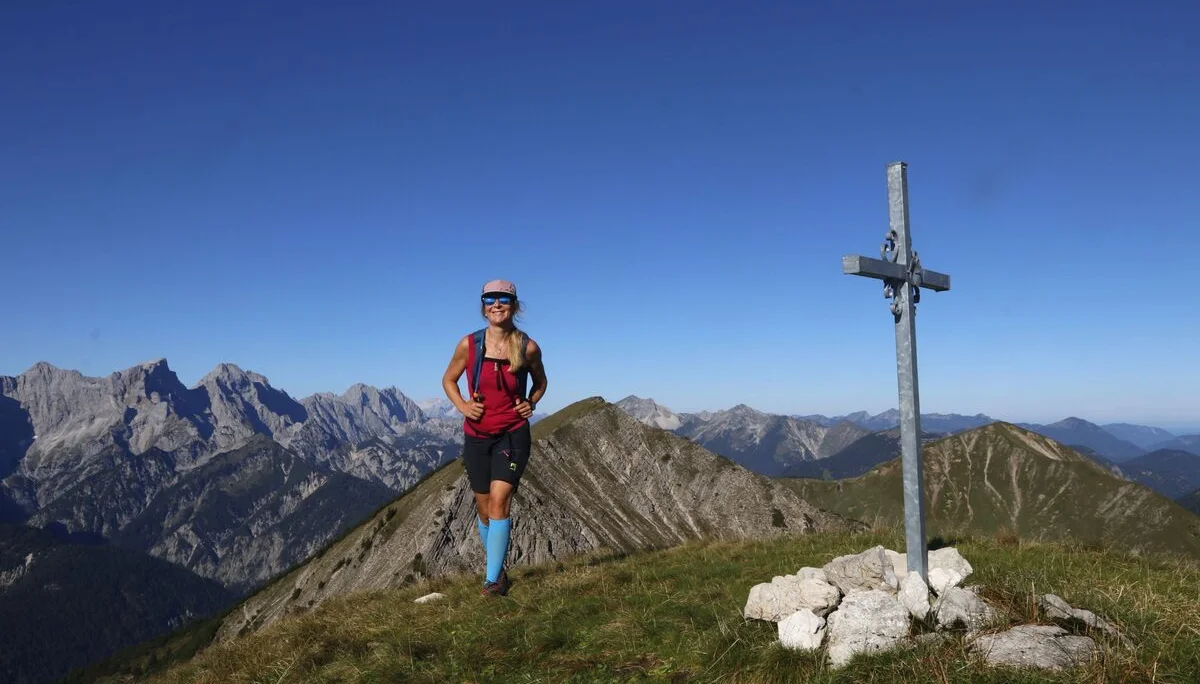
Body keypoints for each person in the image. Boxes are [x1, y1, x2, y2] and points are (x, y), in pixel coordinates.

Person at [441, 279, 547, 597]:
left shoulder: (528, 347)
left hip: (512, 434)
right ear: (483, 305)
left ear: (514, 305)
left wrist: (532, 401)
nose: (496, 304)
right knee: (484, 508)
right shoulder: (469, 345)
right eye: (490, 299)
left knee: (501, 501)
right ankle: (498, 570)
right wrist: (462, 406)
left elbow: (541, 381)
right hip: (476, 436)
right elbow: (448, 380)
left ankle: (492, 583)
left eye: (504, 298)